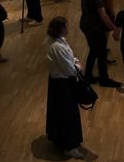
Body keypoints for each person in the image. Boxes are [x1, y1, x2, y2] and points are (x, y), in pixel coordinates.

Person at [45, 17, 84, 159]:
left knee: (58, 113)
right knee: (68, 115)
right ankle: (70, 146)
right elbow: (70, 70)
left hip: (57, 82)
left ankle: (59, 138)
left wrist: (74, 61)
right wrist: (79, 66)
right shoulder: (58, 47)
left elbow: (68, 58)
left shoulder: (55, 42)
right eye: (66, 27)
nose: (68, 29)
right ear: (61, 29)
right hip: (63, 85)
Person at [80, 0, 120, 87]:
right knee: (101, 53)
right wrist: (114, 28)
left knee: (93, 51)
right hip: (94, 27)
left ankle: (88, 76)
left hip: (86, 24)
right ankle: (104, 79)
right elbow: (102, 14)